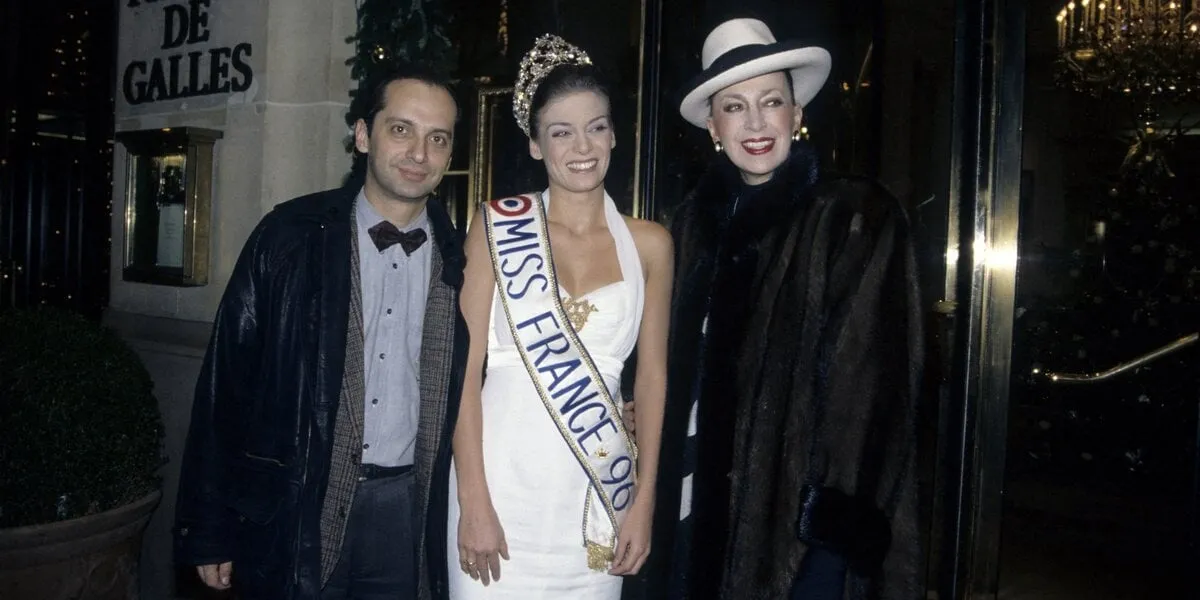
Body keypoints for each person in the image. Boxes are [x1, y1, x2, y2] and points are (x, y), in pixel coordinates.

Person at [640, 17, 924, 600]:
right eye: (735, 106)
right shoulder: (690, 225)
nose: (755, 123)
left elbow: (873, 393)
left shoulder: (854, 218)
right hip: (691, 510)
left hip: (795, 537)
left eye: (771, 102)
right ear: (713, 127)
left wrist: (829, 541)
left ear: (797, 114)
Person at [173, 65, 469, 600]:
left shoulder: (466, 262)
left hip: (408, 509)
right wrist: (209, 528)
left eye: (438, 138)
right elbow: (225, 388)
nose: (418, 153)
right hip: (296, 504)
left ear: (450, 156)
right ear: (363, 135)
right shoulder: (287, 237)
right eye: (401, 129)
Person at [446, 34, 673, 599]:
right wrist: (472, 501)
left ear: (615, 134)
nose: (582, 146)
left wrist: (644, 501)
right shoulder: (496, 225)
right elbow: (462, 372)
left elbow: (652, 378)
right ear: (535, 146)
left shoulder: (651, 244)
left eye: (596, 126)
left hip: (598, 498)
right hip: (498, 489)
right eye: (561, 131)